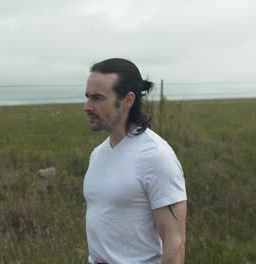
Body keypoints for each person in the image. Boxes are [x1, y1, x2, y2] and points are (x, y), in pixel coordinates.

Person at [83, 58, 187, 264]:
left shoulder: (157, 156)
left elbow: (175, 244)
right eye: (87, 97)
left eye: (97, 98)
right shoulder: (98, 154)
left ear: (128, 101)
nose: (87, 106)